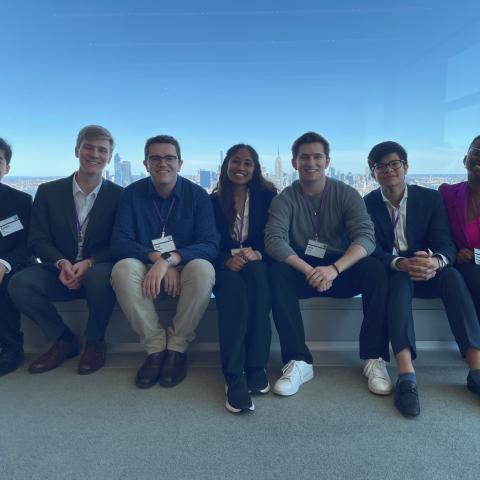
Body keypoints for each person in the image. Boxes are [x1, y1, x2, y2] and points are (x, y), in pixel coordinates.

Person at [265, 131, 390, 398]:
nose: (311, 163)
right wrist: (310, 270)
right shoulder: (285, 198)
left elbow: (366, 238)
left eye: (317, 157)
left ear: (327, 160)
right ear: (294, 163)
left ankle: (374, 357)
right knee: (276, 272)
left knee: (376, 270)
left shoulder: (346, 193)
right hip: (304, 270)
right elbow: (274, 241)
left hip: (340, 268)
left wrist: (334, 269)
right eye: (304, 157)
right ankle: (298, 360)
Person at [364, 140, 480, 417]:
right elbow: (370, 248)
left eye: (394, 164)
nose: (388, 170)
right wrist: (399, 262)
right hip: (397, 271)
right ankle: (406, 374)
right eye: (381, 166)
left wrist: (435, 262)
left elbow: (445, 243)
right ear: (373, 173)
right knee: (399, 281)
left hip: (429, 269)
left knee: (452, 276)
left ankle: (476, 366)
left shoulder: (429, 198)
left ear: (406, 167)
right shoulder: (366, 204)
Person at [8, 125, 123, 375]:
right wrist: (61, 263)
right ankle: (63, 340)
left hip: (97, 271)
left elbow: (120, 242)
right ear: (76, 150)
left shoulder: (120, 196)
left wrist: (90, 263)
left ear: (109, 156)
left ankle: (95, 342)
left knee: (98, 276)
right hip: (58, 269)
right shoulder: (49, 192)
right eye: (88, 147)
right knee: (19, 283)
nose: (94, 154)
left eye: (102, 150)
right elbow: (37, 239)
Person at [110, 135, 219, 389]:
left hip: (185, 265)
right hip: (147, 263)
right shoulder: (131, 195)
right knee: (122, 269)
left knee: (204, 269)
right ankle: (156, 348)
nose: (163, 163)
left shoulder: (197, 196)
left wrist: (171, 260)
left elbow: (210, 243)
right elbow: (120, 241)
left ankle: (177, 348)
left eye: (169, 158)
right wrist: (157, 261)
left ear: (180, 163)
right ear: (146, 163)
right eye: (155, 158)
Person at [211, 144, 276, 413]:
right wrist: (226, 259)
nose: (241, 167)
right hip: (224, 265)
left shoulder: (268, 196)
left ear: (255, 168)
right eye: (235, 161)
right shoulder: (212, 201)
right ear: (226, 165)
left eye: (247, 163)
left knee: (260, 284)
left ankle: (256, 364)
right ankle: (234, 374)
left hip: (256, 261)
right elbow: (207, 240)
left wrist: (258, 253)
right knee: (234, 296)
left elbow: (276, 235)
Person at [0, 138, 34, 375]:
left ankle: (12, 347)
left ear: (7, 168)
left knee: (7, 284)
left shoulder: (21, 201)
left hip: (13, 263)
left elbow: (29, 245)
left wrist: (3, 263)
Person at [439, 136, 480, 329]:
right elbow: (436, 234)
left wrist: (475, 256)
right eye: (476, 152)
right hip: (454, 266)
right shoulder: (446, 194)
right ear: (465, 160)